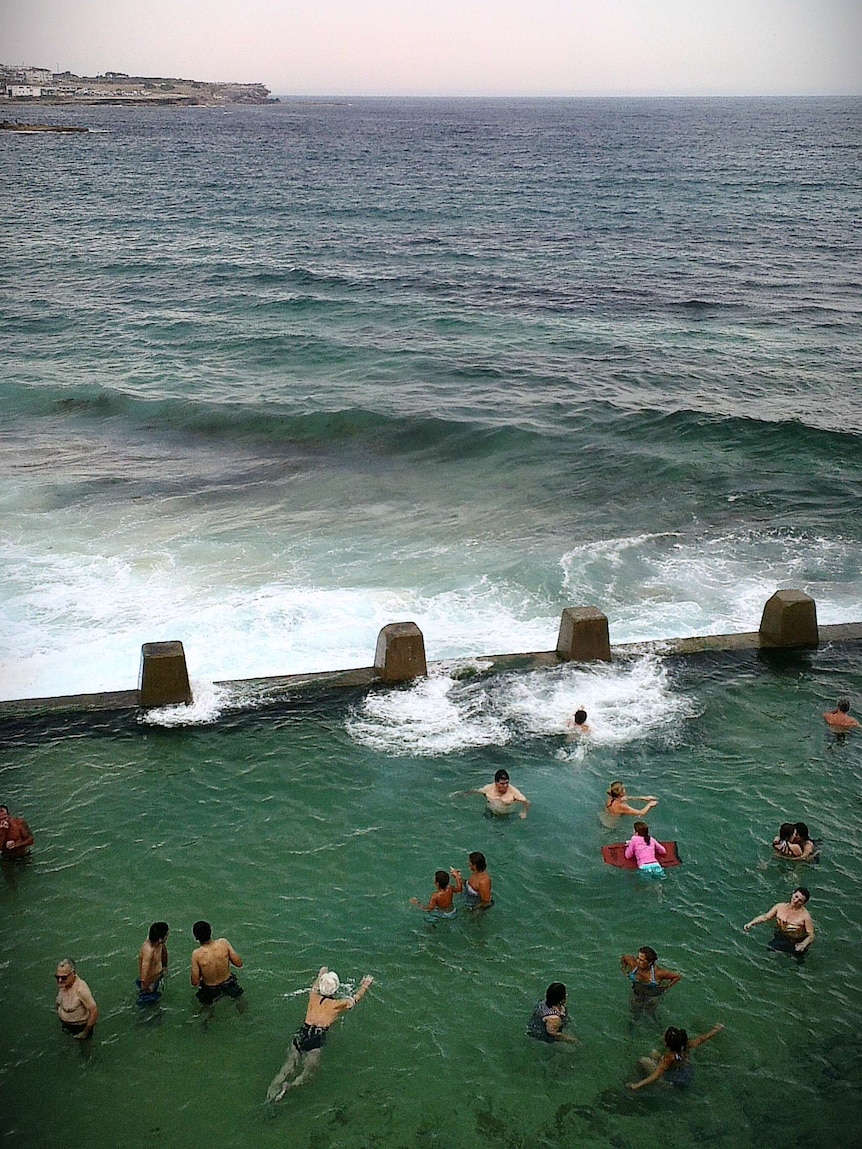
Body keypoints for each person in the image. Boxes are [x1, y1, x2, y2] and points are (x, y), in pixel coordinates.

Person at [266, 966, 374, 1099]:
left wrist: (320, 974)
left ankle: (273, 1087)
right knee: (309, 1072)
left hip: (302, 1034)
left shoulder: (313, 995)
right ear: (336, 989)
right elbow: (355, 999)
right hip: (316, 1038)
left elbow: (315, 987)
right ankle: (291, 1086)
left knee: (288, 1065)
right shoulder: (337, 1004)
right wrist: (365, 985)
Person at [627, 1024, 723, 1090]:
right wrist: (716, 1030)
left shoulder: (668, 1058)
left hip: (674, 1082)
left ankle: (638, 1078)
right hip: (687, 1073)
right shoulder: (685, 1045)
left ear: (667, 1043)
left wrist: (636, 1085)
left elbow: (656, 1076)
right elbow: (702, 1039)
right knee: (654, 1054)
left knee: (643, 1061)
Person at [743, 887, 815, 957]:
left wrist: (803, 944)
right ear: (792, 894)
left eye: (800, 900)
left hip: (796, 941)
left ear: (803, 903)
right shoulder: (779, 907)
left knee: (797, 962)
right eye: (796, 896)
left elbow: (811, 935)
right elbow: (765, 917)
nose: (796, 901)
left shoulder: (805, 917)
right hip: (781, 935)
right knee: (771, 952)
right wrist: (751, 923)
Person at [190, 920, 244, 1004]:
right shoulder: (224, 943)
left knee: (206, 1008)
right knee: (240, 1002)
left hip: (210, 989)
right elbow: (239, 963)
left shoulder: (196, 954)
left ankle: (211, 1016)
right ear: (211, 931)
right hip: (229, 983)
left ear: (196, 937)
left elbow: (195, 982)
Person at [620, 947, 682, 1019]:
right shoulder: (634, 965)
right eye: (637, 958)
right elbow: (624, 957)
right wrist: (623, 969)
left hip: (653, 993)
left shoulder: (658, 973)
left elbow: (677, 977)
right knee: (635, 1011)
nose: (637, 961)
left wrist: (666, 987)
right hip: (638, 990)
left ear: (649, 962)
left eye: (641, 960)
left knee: (649, 1013)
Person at [55, 959, 99, 1039]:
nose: (60, 980)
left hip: (79, 1027)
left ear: (73, 974)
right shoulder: (64, 984)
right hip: (64, 1024)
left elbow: (94, 1011)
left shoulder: (80, 990)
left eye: (63, 977)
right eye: (57, 977)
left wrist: (84, 1033)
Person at [461, 769, 530, 818]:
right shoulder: (489, 788)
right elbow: (477, 791)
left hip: (505, 816)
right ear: (496, 783)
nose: (505, 785)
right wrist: (464, 794)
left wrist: (524, 813)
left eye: (507, 783)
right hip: (489, 812)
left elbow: (527, 802)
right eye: (502, 784)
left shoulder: (513, 791)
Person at [137, 921, 169, 1005]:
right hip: (149, 984)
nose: (167, 936)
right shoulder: (148, 952)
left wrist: (165, 966)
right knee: (151, 1011)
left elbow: (163, 951)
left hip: (157, 978)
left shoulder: (159, 943)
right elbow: (144, 978)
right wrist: (148, 988)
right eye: (166, 935)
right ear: (160, 939)